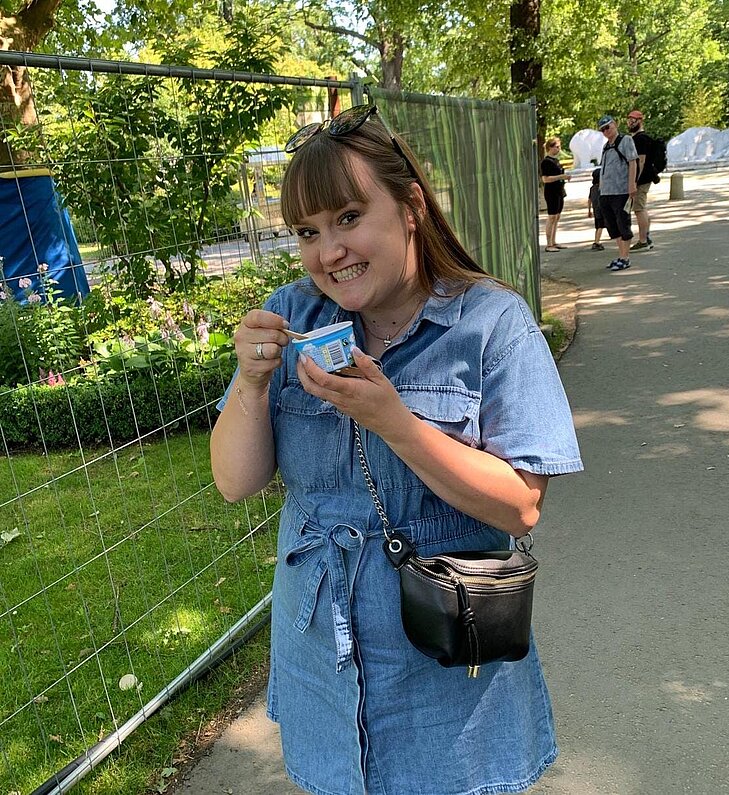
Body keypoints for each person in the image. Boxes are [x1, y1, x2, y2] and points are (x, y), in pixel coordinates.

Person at [210, 103, 583, 795]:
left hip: (446, 668)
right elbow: (235, 481)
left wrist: (399, 424)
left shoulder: (491, 323)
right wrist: (254, 383)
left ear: (411, 206)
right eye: (308, 231)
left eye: (349, 217)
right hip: (321, 647)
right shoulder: (294, 315)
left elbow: (522, 505)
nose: (329, 252)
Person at [597, 114, 638, 271]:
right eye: (603, 130)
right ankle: (621, 255)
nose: (606, 131)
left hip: (621, 190)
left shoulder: (625, 140)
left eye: (608, 127)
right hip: (606, 191)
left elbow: (632, 162)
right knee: (612, 225)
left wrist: (631, 184)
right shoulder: (606, 146)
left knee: (623, 222)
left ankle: (625, 257)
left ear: (615, 124)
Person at [626, 110, 655, 250]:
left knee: (639, 209)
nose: (630, 123)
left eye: (633, 121)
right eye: (629, 121)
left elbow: (641, 161)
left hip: (642, 179)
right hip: (646, 177)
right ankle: (646, 237)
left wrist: (635, 180)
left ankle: (643, 240)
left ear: (640, 121)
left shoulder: (640, 139)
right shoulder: (642, 138)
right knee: (642, 208)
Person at [539, 136, 572, 252]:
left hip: (559, 190)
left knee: (557, 216)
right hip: (551, 191)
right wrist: (560, 177)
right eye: (557, 147)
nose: (559, 149)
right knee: (551, 216)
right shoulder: (546, 162)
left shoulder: (556, 161)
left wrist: (564, 177)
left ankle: (554, 241)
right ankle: (548, 244)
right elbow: (545, 179)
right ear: (550, 147)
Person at [587, 167, 605, 250]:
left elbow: (589, 200)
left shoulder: (592, 188)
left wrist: (589, 210)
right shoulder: (603, 188)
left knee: (598, 226)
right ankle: (596, 242)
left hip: (595, 210)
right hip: (602, 210)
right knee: (600, 226)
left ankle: (596, 240)